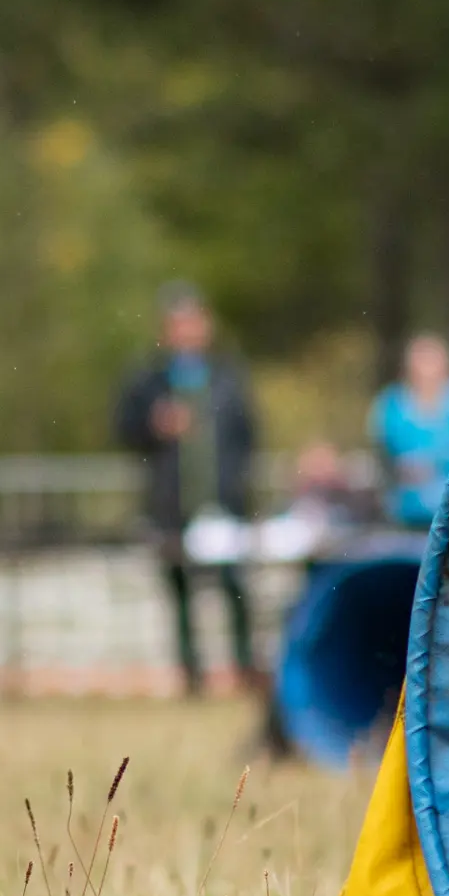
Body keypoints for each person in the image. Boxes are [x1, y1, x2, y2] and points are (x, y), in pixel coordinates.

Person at [114, 282, 259, 697]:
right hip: (171, 505)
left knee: (234, 587)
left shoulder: (228, 376)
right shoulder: (147, 380)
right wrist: (154, 427)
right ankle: (191, 676)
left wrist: (239, 485)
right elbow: (124, 430)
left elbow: (248, 435)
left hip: (223, 502)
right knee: (179, 592)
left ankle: (245, 670)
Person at [368, 333, 449, 529]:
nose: (426, 370)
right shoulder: (391, 405)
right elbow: (383, 458)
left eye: (432, 361)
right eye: (420, 362)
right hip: (408, 514)